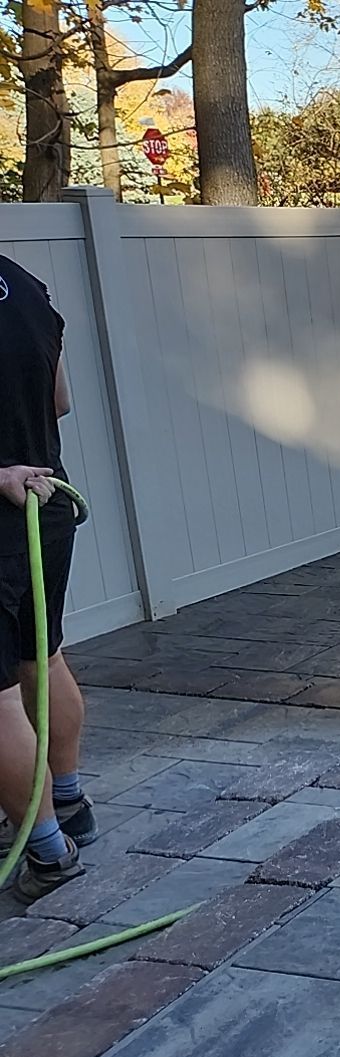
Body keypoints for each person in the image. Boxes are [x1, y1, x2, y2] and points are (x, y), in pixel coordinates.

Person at [0, 252, 94, 899]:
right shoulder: (26, 285)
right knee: (44, 656)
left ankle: (48, 853)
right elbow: (58, 400)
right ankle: (69, 801)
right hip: (45, 503)